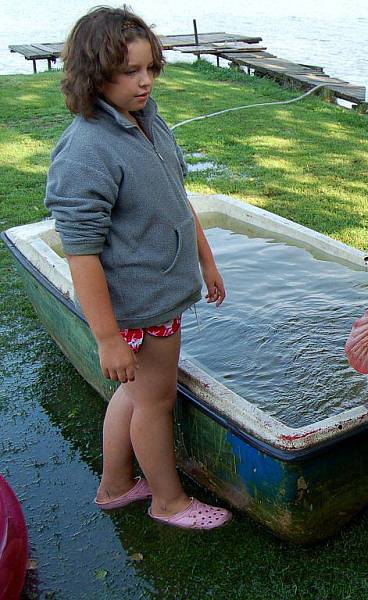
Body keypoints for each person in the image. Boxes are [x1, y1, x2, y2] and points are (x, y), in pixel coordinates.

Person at [45, 6, 231, 530]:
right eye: (129, 71)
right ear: (92, 73)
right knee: (155, 401)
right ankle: (168, 502)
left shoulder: (145, 119)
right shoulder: (86, 151)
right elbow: (80, 253)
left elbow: (177, 196)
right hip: (137, 307)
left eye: (150, 67)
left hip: (160, 296)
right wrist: (107, 338)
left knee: (135, 395)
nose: (145, 80)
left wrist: (206, 259)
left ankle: (116, 484)